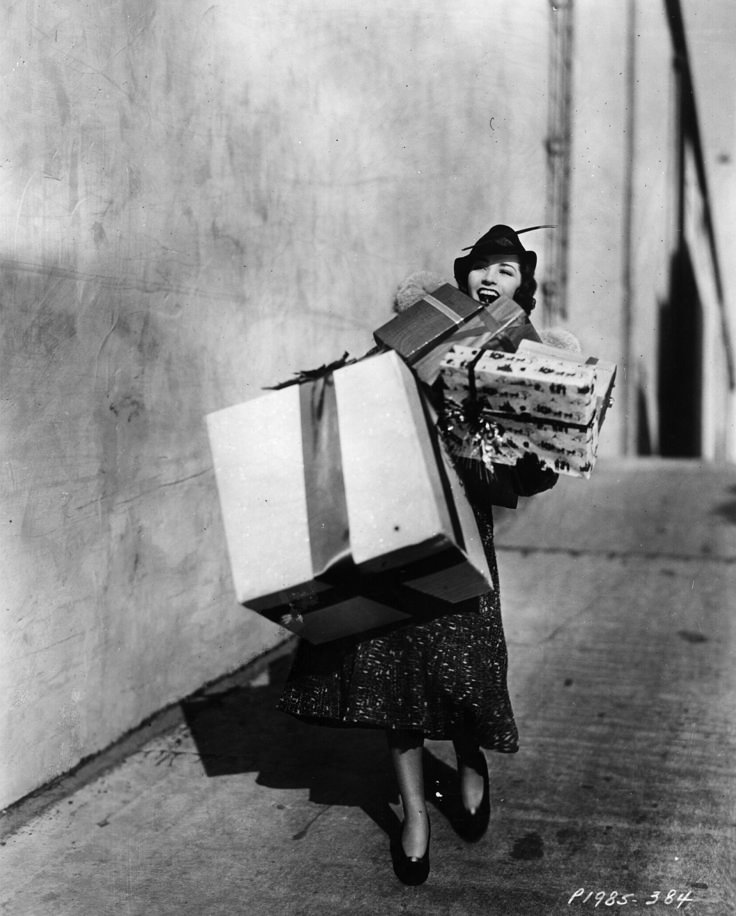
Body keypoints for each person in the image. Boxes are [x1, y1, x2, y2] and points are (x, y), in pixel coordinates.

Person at [277, 224, 558, 885]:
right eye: (482, 267)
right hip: (398, 515)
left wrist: (529, 447)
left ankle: (469, 756)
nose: (491, 277)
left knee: (464, 662)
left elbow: (540, 462)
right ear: (463, 278)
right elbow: (359, 403)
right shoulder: (417, 331)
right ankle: (412, 812)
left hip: (464, 524)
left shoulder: (527, 355)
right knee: (394, 667)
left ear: (522, 290)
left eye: (507, 271)